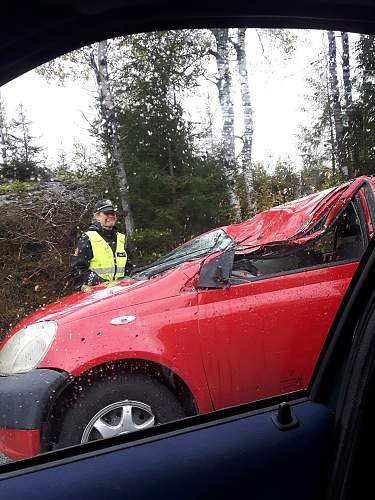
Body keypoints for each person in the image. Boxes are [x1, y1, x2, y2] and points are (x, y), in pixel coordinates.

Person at [70, 199, 133, 288]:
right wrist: (100, 283)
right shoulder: (88, 238)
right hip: (96, 294)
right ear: (97, 217)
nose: (111, 216)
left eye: (113, 213)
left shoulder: (122, 239)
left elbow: (129, 267)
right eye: (107, 213)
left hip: (120, 292)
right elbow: (77, 270)